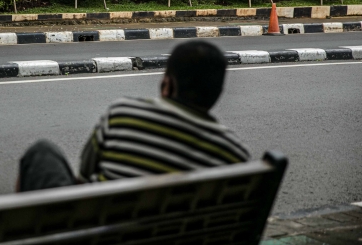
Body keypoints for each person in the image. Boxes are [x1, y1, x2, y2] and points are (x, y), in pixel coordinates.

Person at [17, 41, 250, 192]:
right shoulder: (234, 154)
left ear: (166, 84)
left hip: (98, 231)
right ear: (217, 93)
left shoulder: (123, 114)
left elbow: (85, 175)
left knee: (42, 152)